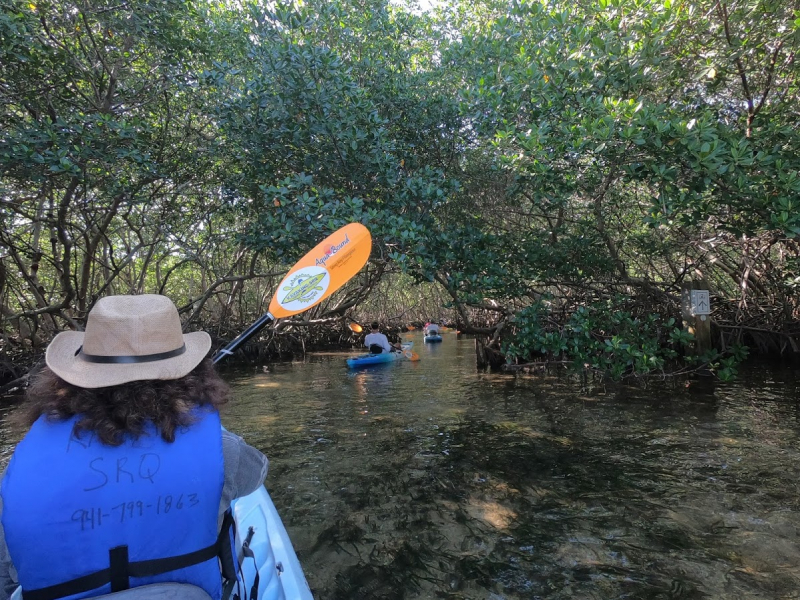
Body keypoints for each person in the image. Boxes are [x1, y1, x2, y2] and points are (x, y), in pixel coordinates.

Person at [0, 294, 269, 600]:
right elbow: (257, 472)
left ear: (74, 378)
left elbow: (8, 570)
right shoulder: (224, 449)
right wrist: (199, 422)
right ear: (191, 377)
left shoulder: (25, 464)